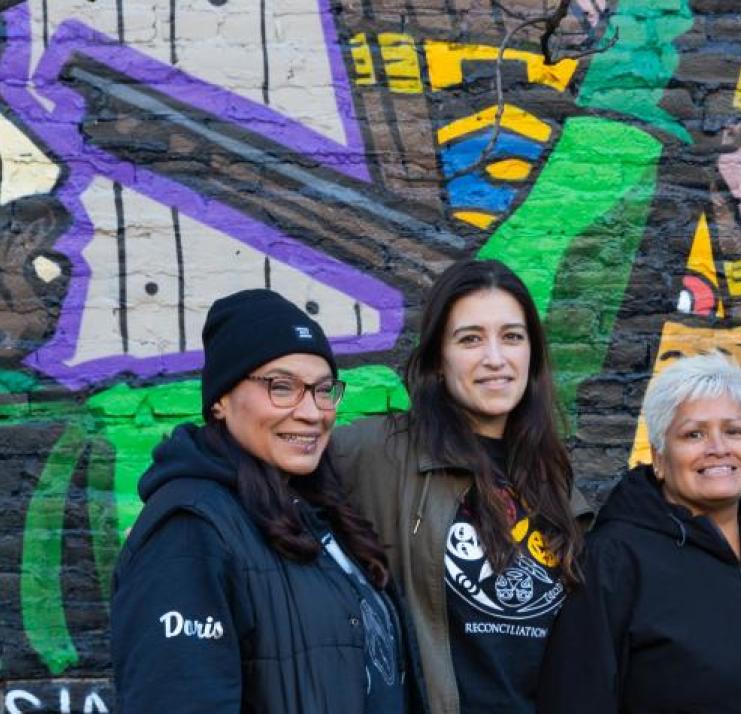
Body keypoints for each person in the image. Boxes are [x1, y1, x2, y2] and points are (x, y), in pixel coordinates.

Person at [111, 289, 412, 713]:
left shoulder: (314, 513)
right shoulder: (189, 531)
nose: (313, 412)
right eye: (282, 387)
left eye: (323, 390)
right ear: (220, 399)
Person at [334, 259, 592, 714]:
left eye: (512, 336)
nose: (495, 358)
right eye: (470, 339)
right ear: (437, 359)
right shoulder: (375, 453)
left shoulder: (551, 475)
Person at [536, 352, 741, 712]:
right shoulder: (614, 559)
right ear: (658, 456)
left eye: (734, 431)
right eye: (693, 434)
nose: (718, 448)